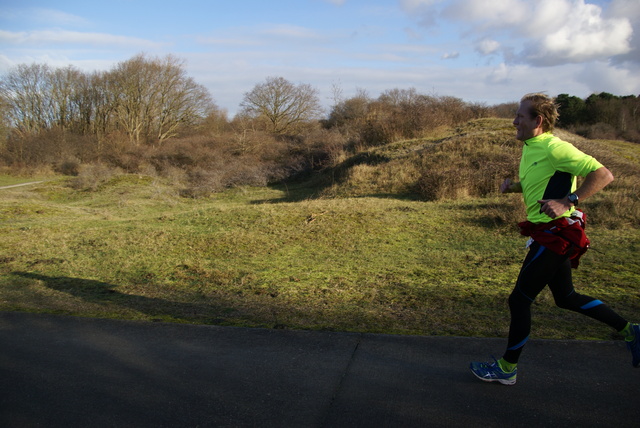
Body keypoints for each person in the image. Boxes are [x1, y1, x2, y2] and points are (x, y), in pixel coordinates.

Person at [469, 92, 639, 385]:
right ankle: (631, 331)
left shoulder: (555, 147)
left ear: (537, 121)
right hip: (545, 233)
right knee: (566, 298)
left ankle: (507, 368)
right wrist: (514, 187)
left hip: (556, 234)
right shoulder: (531, 147)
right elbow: (541, 184)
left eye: (519, 117)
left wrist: (568, 200)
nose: (514, 121)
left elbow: (603, 174)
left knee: (519, 300)